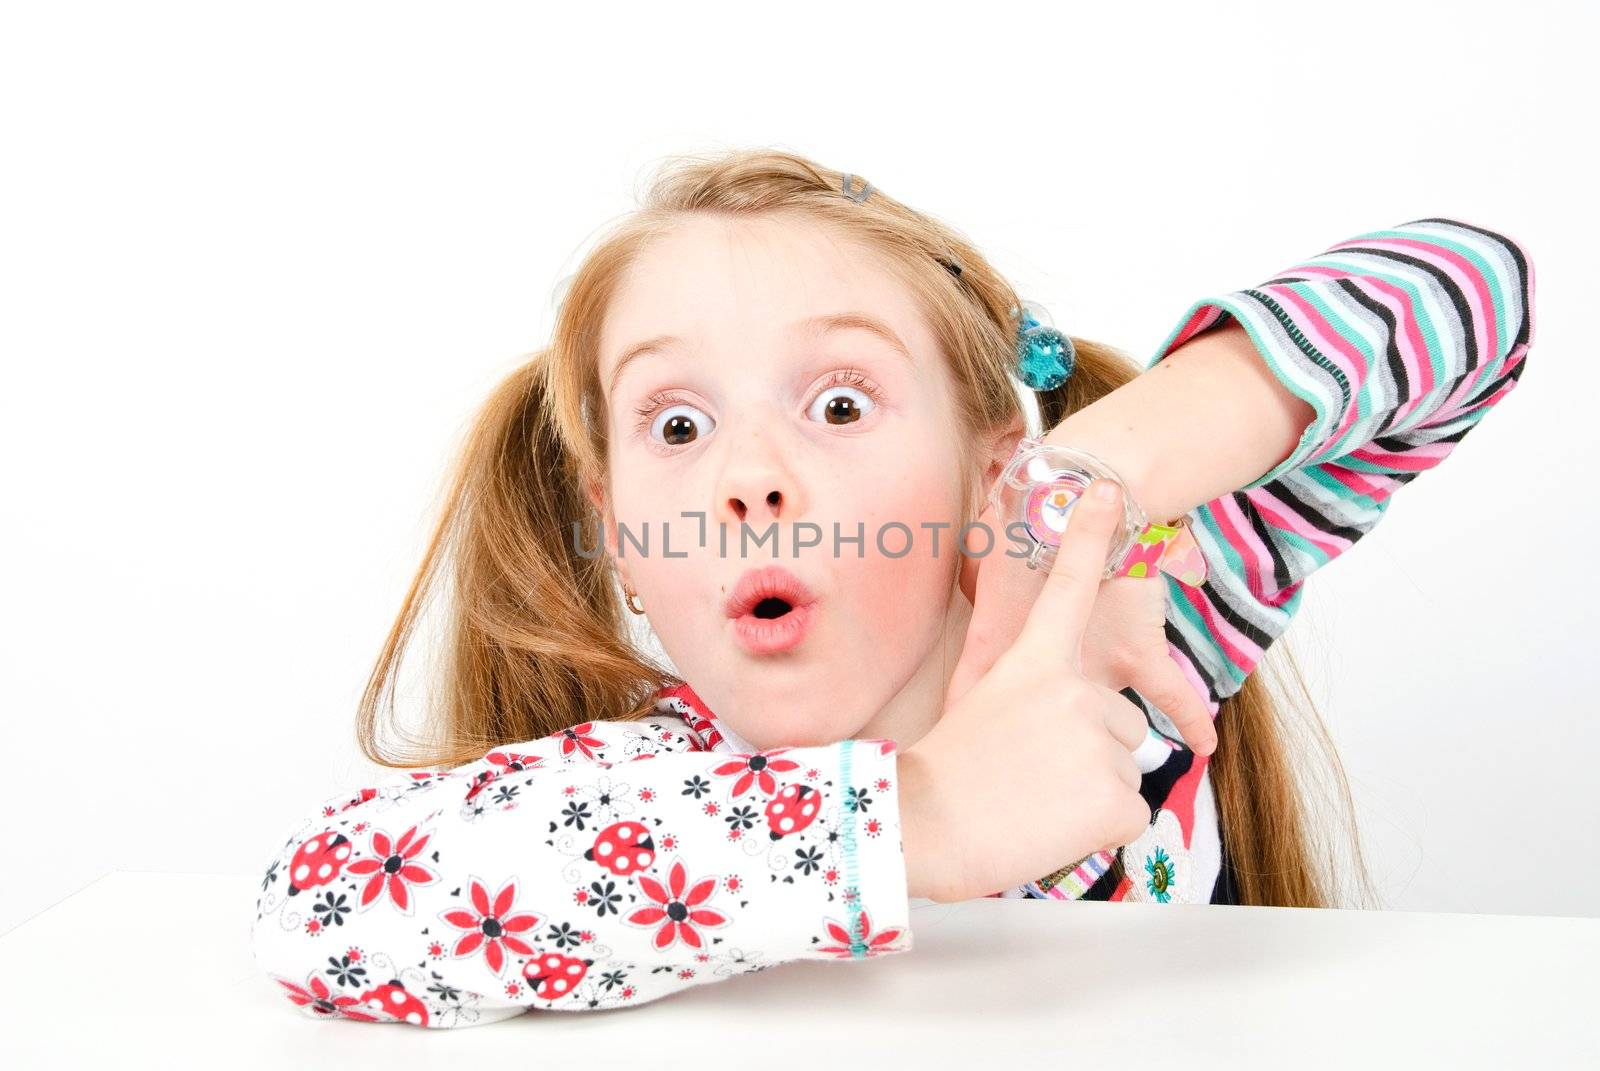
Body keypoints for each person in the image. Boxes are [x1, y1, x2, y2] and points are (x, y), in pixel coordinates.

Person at [249, 148, 1535, 1028]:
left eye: (842, 402)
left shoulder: (1144, 644)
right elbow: (317, 905)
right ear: (621, 536)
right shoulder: (628, 796)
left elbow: (1470, 291)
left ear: (989, 469)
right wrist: (918, 815)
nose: (750, 477)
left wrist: (1092, 488)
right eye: (678, 428)